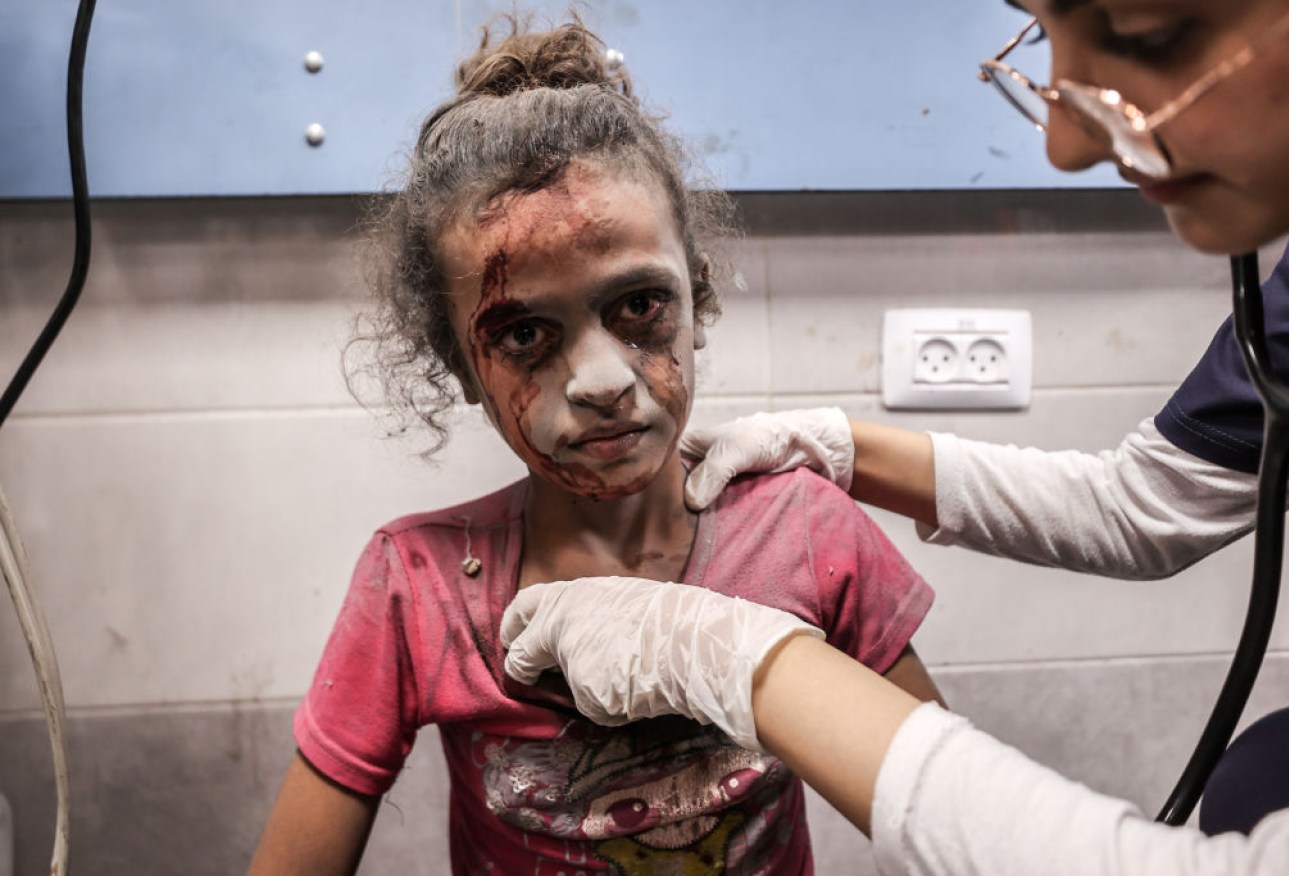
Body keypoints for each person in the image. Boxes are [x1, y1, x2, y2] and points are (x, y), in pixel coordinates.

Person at [500, 0, 1289, 873]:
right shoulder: (411, 575)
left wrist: (735, 662)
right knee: (1264, 771)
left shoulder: (806, 535)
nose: (1065, 150)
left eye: (1146, 33)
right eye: (1038, 43)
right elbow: (1146, 504)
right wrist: (842, 445)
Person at [247, 16, 943, 875]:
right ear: (459, 365)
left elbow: (946, 816)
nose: (601, 379)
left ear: (697, 294)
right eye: (525, 333)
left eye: (640, 306)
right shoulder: (417, 587)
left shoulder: (806, 531)